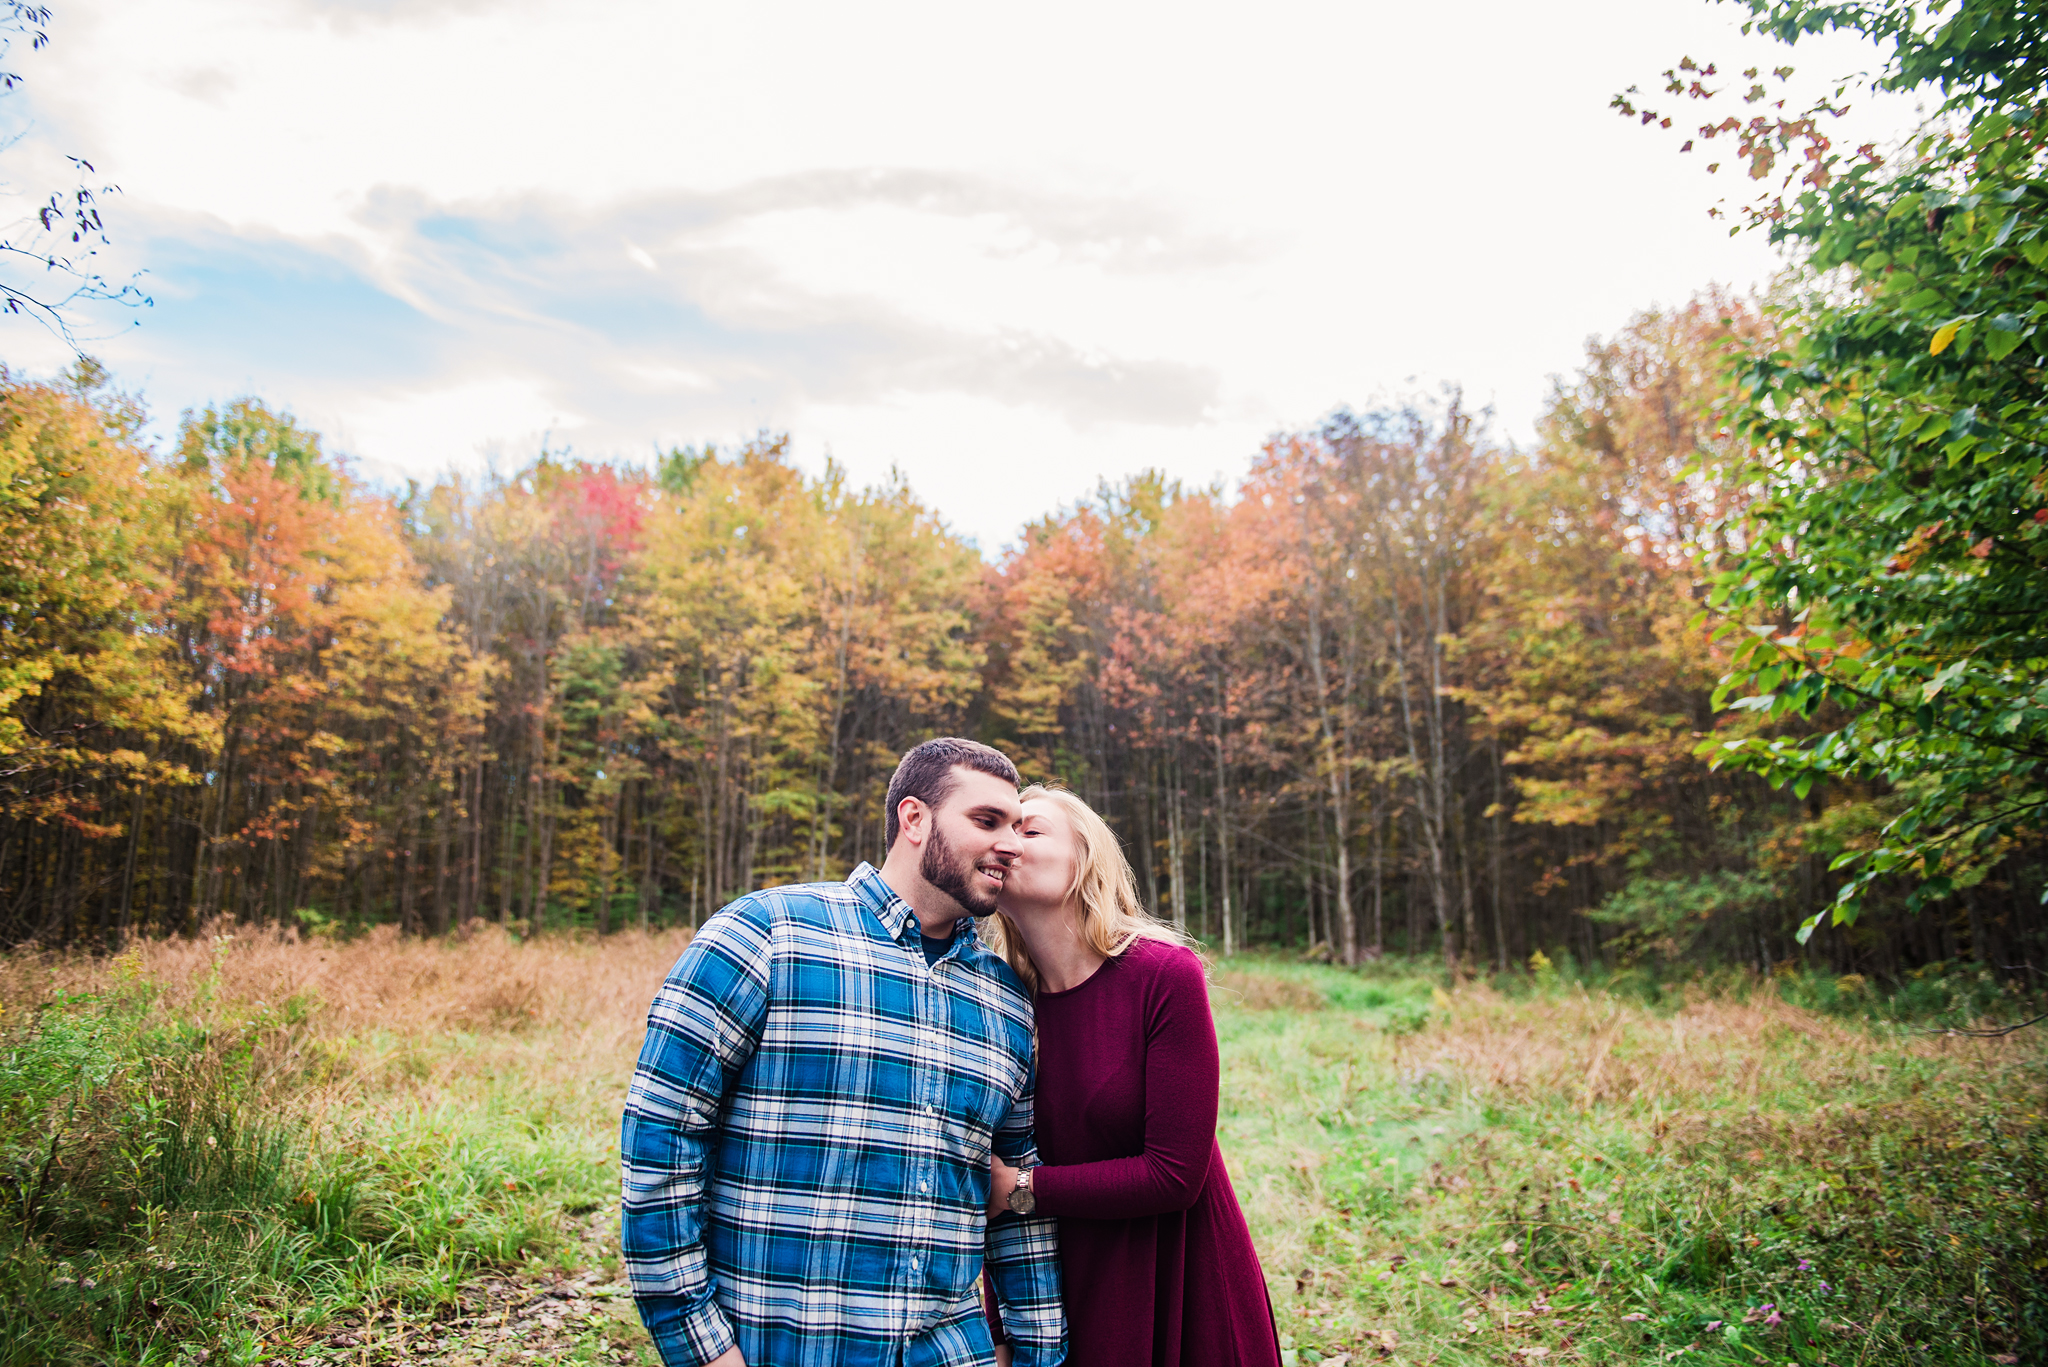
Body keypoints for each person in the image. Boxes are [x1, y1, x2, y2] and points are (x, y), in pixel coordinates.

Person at [621, 738, 1067, 1367]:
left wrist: (1037, 1354)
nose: (1012, 844)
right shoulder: (766, 935)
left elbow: (1018, 1208)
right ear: (913, 820)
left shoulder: (1006, 1001)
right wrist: (701, 1348)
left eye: (1018, 827)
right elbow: (661, 1144)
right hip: (780, 1348)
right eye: (986, 821)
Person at [982, 784, 1282, 1367]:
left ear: (1085, 856)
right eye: (997, 829)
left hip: (1175, 1269)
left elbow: (1175, 1174)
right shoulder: (1001, 1002)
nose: (1006, 843)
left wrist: (1024, 1191)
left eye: (1030, 828)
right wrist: (1001, 1325)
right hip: (1060, 1286)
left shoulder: (1163, 974)